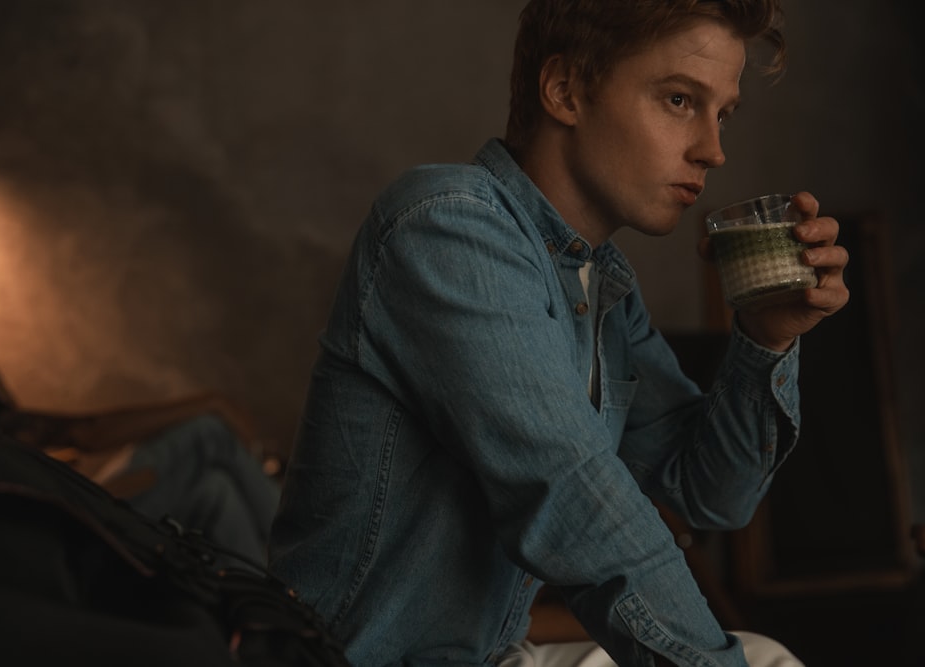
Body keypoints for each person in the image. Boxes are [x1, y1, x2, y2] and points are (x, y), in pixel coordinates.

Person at [269, 1, 849, 666]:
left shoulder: (598, 286)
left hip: (492, 656)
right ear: (566, 90)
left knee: (768, 655)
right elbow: (576, 504)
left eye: (724, 113)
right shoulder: (448, 229)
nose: (713, 150)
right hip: (351, 661)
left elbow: (711, 493)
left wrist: (765, 337)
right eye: (680, 100)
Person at [0, 250, 280, 569]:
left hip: (63, 510)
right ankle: (311, 548)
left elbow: (5, 416)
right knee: (207, 431)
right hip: (68, 530)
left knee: (216, 491)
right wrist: (209, 401)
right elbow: (86, 434)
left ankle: (286, 611)